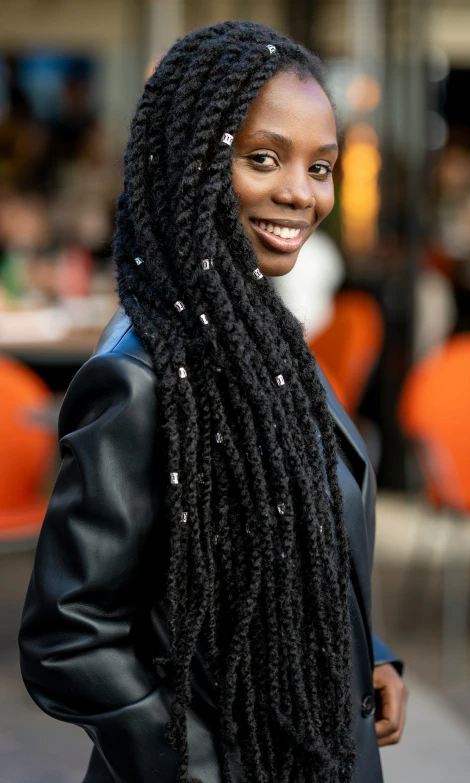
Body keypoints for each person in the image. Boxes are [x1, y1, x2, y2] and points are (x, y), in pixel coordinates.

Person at [19, 21, 407, 783]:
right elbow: (68, 636)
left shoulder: (267, 330)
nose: (299, 191)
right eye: (263, 158)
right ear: (190, 161)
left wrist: (370, 653)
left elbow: (307, 532)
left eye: (321, 167)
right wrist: (197, 769)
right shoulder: (139, 376)